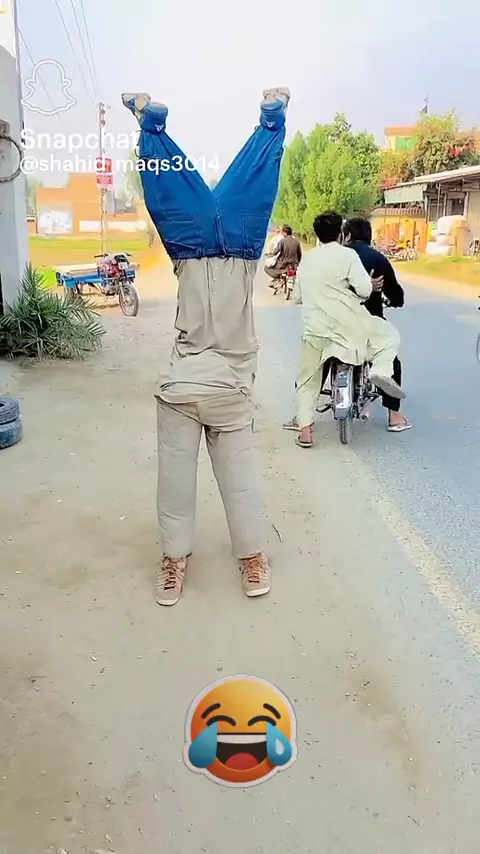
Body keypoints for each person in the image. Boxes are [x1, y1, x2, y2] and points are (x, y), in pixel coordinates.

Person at [122, 88, 290, 605]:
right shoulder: (234, 244)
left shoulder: (211, 248)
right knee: (190, 480)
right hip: (191, 365)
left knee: (237, 481)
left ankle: (249, 555)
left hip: (227, 365)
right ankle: (176, 559)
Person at [284, 211, 404, 448]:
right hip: (347, 326)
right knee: (388, 336)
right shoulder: (348, 256)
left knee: (308, 379)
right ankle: (380, 371)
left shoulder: (308, 259)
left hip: (315, 330)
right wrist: (366, 287)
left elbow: (297, 296)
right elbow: (364, 290)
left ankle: (305, 430)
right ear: (341, 233)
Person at [342, 217, 411, 432]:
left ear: (347, 235)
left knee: (319, 357)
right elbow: (396, 295)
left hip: (338, 321)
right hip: (370, 323)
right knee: (391, 359)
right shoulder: (378, 259)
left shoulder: (338, 257)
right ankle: (394, 416)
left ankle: (303, 416)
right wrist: (393, 300)